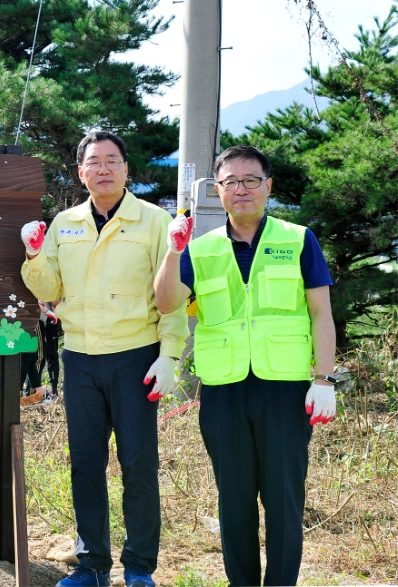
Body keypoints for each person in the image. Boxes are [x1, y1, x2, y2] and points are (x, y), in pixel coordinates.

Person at [153, 145, 336, 587]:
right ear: (218, 190)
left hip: (285, 390)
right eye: (231, 182)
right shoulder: (201, 249)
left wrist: (324, 378)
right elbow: (166, 302)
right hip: (224, 392)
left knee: (284, 501)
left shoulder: (297, 239)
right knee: (233, 503)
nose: (241, 189)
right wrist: (173, 251)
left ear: (268, 186)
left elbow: (320, 314)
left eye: (251, 180)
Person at [20, 130, 189, 587]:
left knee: (138, 465)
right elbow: (49, 289)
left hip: (135, 358)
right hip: (80, 360)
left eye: (112, 161)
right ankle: (92, 565)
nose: (104, 169)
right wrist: (34, 254)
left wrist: (170, 356)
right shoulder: (64, 223)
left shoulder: (154, 221)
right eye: (94, 162)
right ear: (81, 172)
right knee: (86, 464)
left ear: (126, 169)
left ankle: (138, 568)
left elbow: (171, 298)